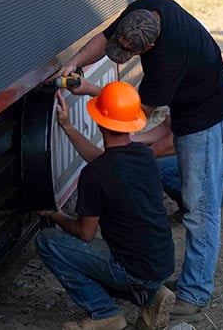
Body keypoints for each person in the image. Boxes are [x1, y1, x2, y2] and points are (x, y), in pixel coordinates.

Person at [58, 0, 223, 315]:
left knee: (200, 208)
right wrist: (74, 62)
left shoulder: (170, 58)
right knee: (190, 195)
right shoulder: (146, 10)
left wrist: (89, 90)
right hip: (188, 113)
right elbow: (105, 38)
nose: (122, 52)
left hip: (209, 122)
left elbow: (133, 112)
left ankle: (195, 293)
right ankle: (188, 283)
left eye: (129, 52)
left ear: (150, 45)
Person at [35, 81, 175, 330]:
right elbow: (107, 163)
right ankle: (153, 295)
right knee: (123, 264)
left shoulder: (96, 174)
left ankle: (104, 313)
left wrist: (55, 215)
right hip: (162, 262)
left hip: (133, 269)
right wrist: (67, 126)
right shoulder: (144, 155)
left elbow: (84, 233)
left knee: (47, 241)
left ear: (100, 122)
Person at [133, 111, 223, 211]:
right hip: (212, 160)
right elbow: (166, 128)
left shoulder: (190, 97)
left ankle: (214, 202)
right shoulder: (179, 92)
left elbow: (172, 144)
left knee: (159, 169)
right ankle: (193, 206)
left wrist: (139, 157)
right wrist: (132, 140)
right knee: (155, 160)